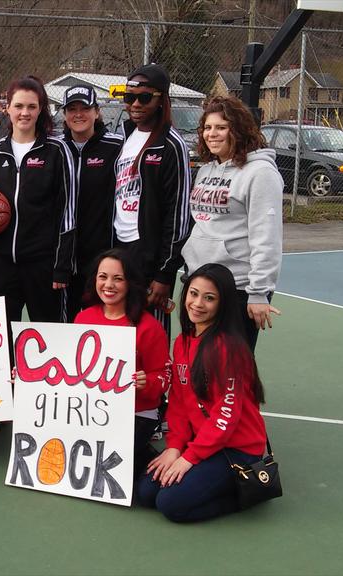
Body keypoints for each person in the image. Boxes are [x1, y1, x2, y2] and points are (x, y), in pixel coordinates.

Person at [137, 263, 270, 523]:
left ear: (223, 304)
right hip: (204, 443)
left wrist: (190, 458)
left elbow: (226, 415)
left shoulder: (229, 349)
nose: (198, 303)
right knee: (146, 493)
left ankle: (248, 491)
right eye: (193, 293)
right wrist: (175, 447)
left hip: (237, 448)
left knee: (171, 505)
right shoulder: (183, 342)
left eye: (209, 298)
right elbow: (178, 402)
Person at [0, 76, 76, 325]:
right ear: (7, 108)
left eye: (31, 106)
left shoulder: (57, 151)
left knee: (47, 333)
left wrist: (61, 265)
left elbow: (68, 212)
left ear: (41, 109)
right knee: (2, 339)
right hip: (0, 262)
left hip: (41, 263)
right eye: (19, 106)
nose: (24, 113)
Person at [184, 95, 283, 350]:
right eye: (207, 128)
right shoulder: (206, 170)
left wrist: (259, 292)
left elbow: (266, 236)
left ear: (237, 130)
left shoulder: (260, 173)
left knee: (231, 368)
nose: (212, 134)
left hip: (236, 287)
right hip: (199, 283)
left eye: (221, 127)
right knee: (197, 359)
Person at [115, 63, 193, 337]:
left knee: (151, 333)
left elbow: (180, 214)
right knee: (120, 328)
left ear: (161, 100)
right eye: (129, 97)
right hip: (120, 246)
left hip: (149, 254)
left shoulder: (172, 145)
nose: (135, 104)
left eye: (144, 97)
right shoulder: (125, 137)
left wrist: (165, 273)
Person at [74, 248, 169, 469]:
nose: (108, 285)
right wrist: (28, 375)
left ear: (131, 283)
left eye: (118, 279)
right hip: (89, 409)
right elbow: (70, 367)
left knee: (113, 467)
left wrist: (147, 383)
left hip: (136, 413)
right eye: (103, 277)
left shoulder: (149, 327)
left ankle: (145, 455)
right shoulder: (82, 318)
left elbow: (165, 376)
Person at [59, 85, 124, 319]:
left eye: (85, 108)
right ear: (64, 115)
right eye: (72, 109)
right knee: (63, 324)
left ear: (96, 112)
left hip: (100, 255)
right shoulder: (56, 148)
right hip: (62, 258)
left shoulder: (116, 147)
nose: (78, 114)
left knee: (99, 321)